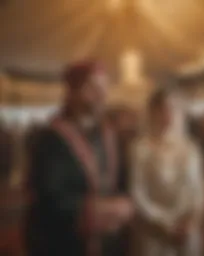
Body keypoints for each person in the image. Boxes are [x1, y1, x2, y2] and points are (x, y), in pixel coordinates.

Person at [25, 61, 134, 256]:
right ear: (71, 93)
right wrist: (93, 212)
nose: (102, 95)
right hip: (66, 244)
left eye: (104, 87)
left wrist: (125, 203)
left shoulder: (110, 135)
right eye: (93, 88)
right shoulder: (50, 139)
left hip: (109, 241)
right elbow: (48, 199)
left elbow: (122, 181)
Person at [131, 87, 204, 256]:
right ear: (153, 113)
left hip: (187, 230)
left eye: (175, 108)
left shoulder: (191, 148)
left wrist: (192, 221)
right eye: (163, 109)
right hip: (154, 233)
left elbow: (199, 190)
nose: (169, 115)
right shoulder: (141, 149)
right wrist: (167, 224)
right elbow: (137, 194)